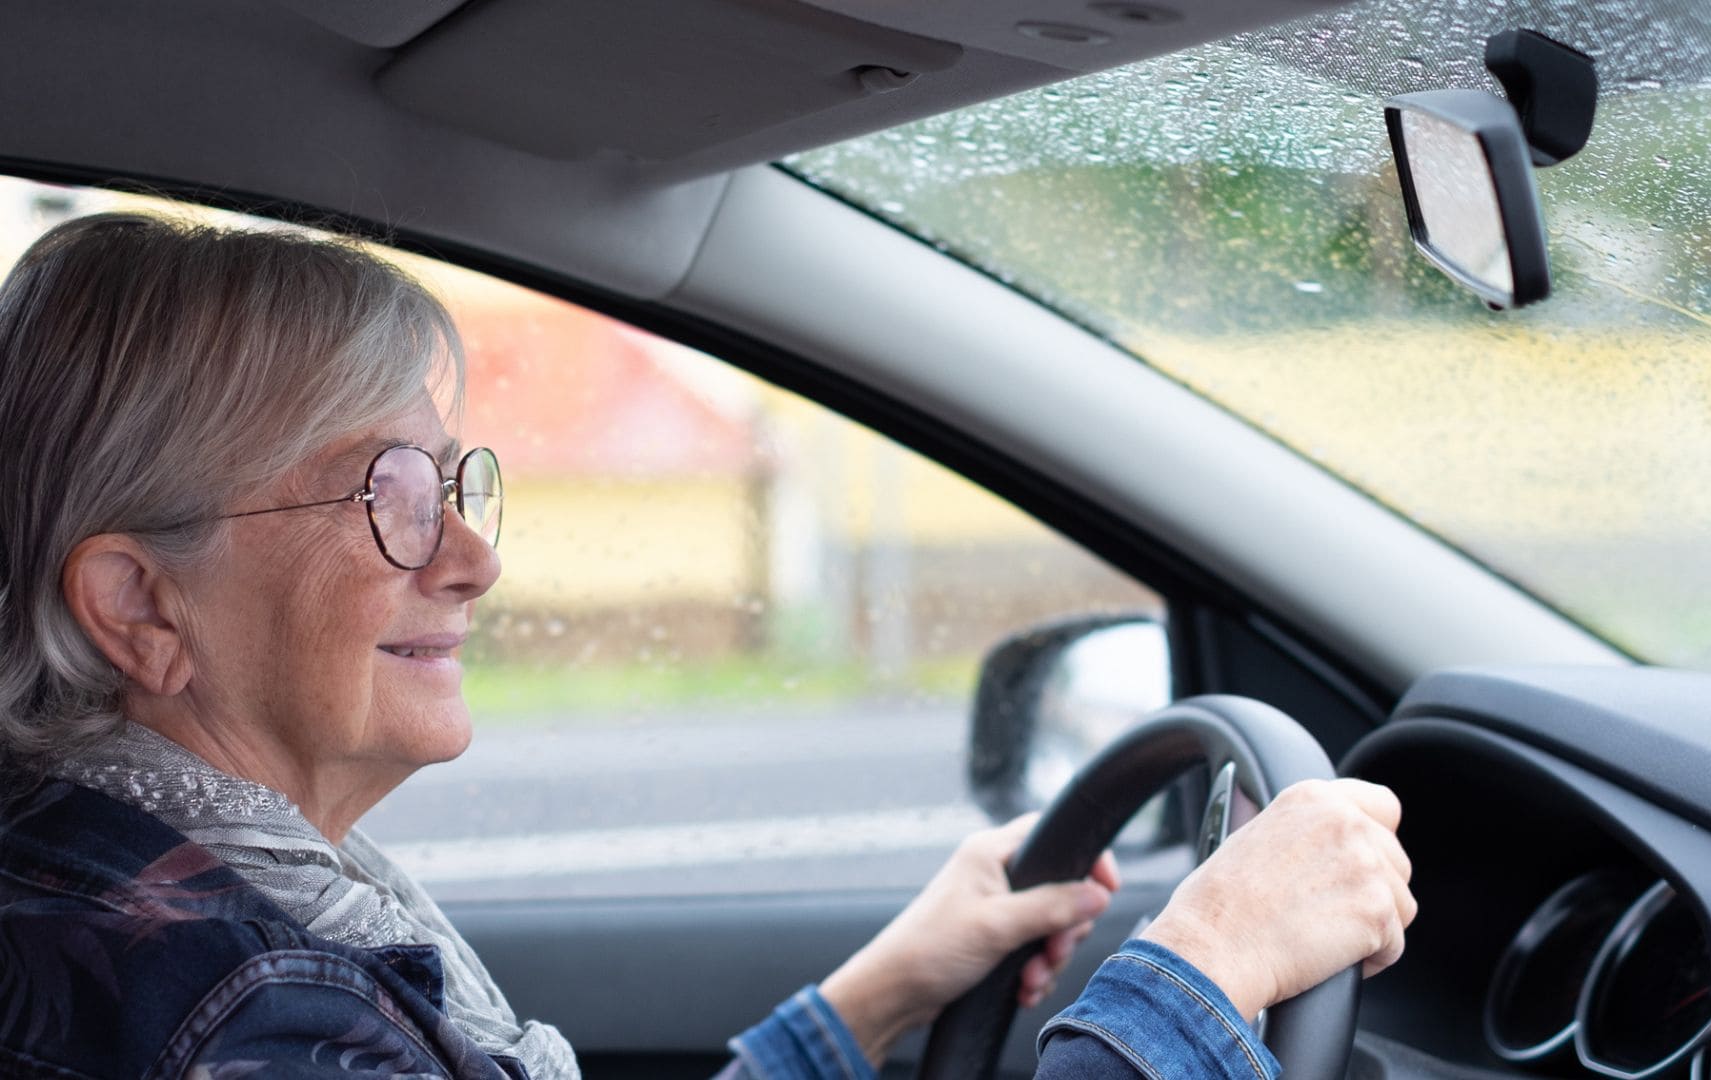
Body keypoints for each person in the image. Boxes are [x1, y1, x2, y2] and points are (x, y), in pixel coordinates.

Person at [0, 213, 1416, 1079]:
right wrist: (1202, 974)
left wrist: (881, 993)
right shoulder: (249, 1012)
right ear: (140, 605)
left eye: (453, 483)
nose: (475, 556)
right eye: (387, 496)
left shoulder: (145, 901)